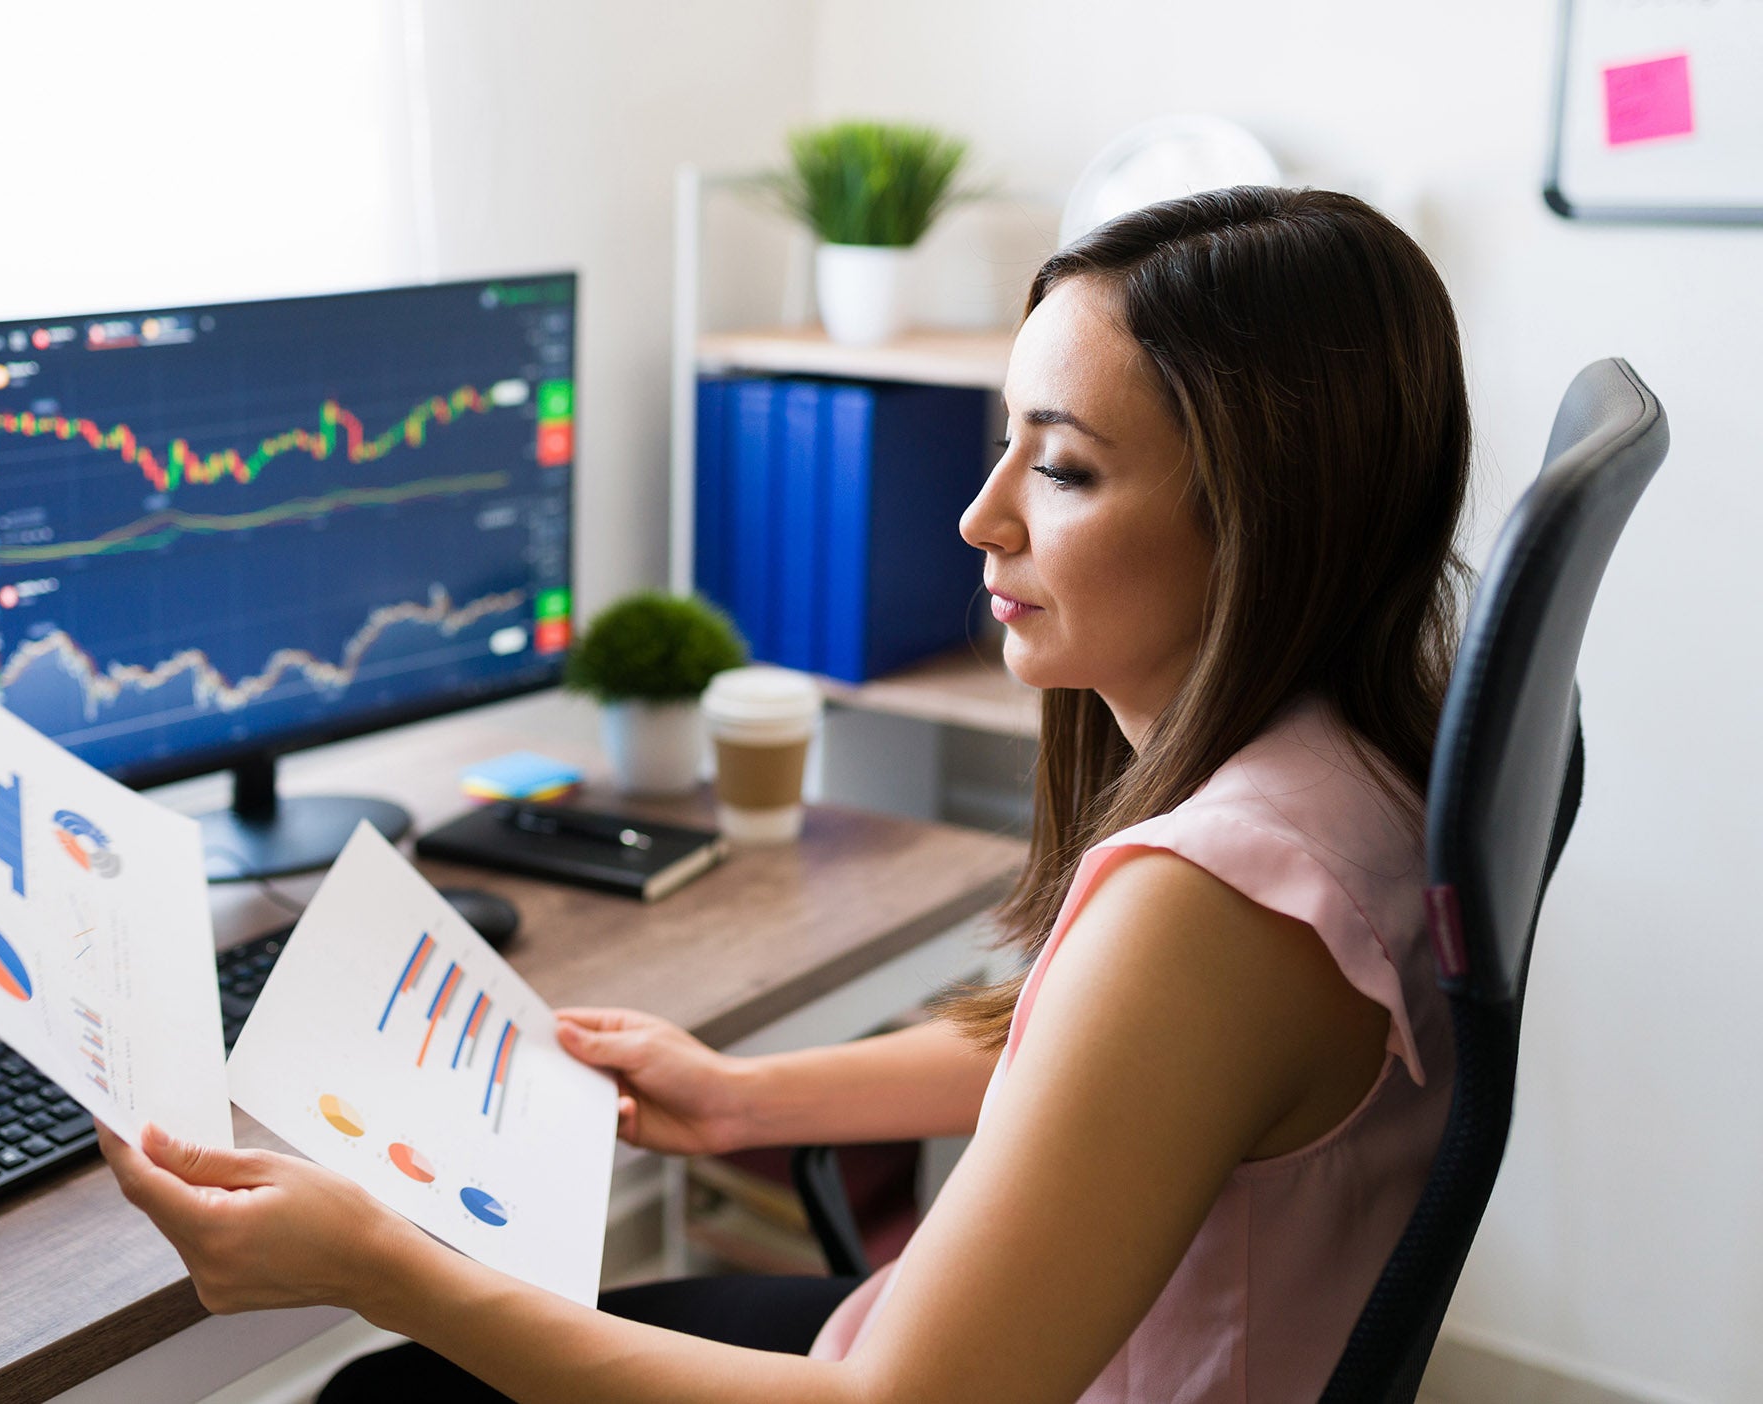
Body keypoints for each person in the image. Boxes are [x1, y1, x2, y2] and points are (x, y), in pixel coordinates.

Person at [99, 185, 1470, 1404]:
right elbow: (1108, 1077)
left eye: (1061, 467)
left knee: (388, 1390)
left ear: (1267, 518)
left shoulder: (1210, 905)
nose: (981, 516)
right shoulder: (1351, 767)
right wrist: (743, 1100)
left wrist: (379, 1269)